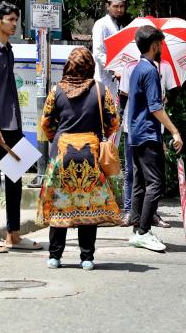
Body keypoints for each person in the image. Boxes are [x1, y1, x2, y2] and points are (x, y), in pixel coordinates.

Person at [38, 48, 123, 270]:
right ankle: (87, 258)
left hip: (62, 154)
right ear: (90, 67)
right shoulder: (100, 90)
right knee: (88, 207)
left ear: (68, 66)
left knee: (60, 206)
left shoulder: (56, 90)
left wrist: (56, 139)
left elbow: (46, 122)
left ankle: (55, 257)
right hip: (91, 154)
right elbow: (113, 123)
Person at [0, 1, 41, 253]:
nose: (14, 23)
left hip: (13, 125)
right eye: (10, 19)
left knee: (15, 179)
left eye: (16, 19)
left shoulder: (8, 50)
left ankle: (13, 234)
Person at [126, 25, 184, 252]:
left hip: (136, 133)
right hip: (148, 133)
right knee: (155, 183)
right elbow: (155, 108)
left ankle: (137, 229)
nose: (162, 48)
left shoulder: (138, 68)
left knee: (140, 184)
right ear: (154, 45)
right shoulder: (149, 71)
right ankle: (143, 231)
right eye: (160, 44)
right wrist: (174, 130)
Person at [118, 59, 176, 228]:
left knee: (151, 178)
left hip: (156, 127)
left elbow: (172, 91)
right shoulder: (130, 67)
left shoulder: (165, 67)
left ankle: (151, 215)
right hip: (133, 126)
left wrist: (163, 98)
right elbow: (124, 95)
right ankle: (130, 213)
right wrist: (119, 118)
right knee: (133, 172)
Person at [92, 0, 128, 101]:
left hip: (118, 81)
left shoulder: (120, 26)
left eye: (122, 6)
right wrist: (114, 69)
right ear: (108, 6)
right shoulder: (101, 24)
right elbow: (98, 53)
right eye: (115, 6)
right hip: (103, 79)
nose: (119, 10)